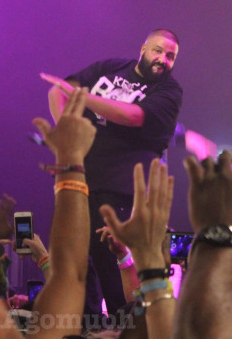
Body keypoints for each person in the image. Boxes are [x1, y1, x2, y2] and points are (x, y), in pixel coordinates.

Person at [41, 28, 183, 317]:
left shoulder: (169, 91)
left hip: (122, 190)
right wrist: (66, 132)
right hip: (81, 179)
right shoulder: (111, 67)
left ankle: (128, 329)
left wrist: (83, 98)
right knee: (75, 267)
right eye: (158, 51)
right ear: (143, 48)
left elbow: (132, 116)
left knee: (116, 271)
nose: (163, 59)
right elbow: (58, 90)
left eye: (170, 56)